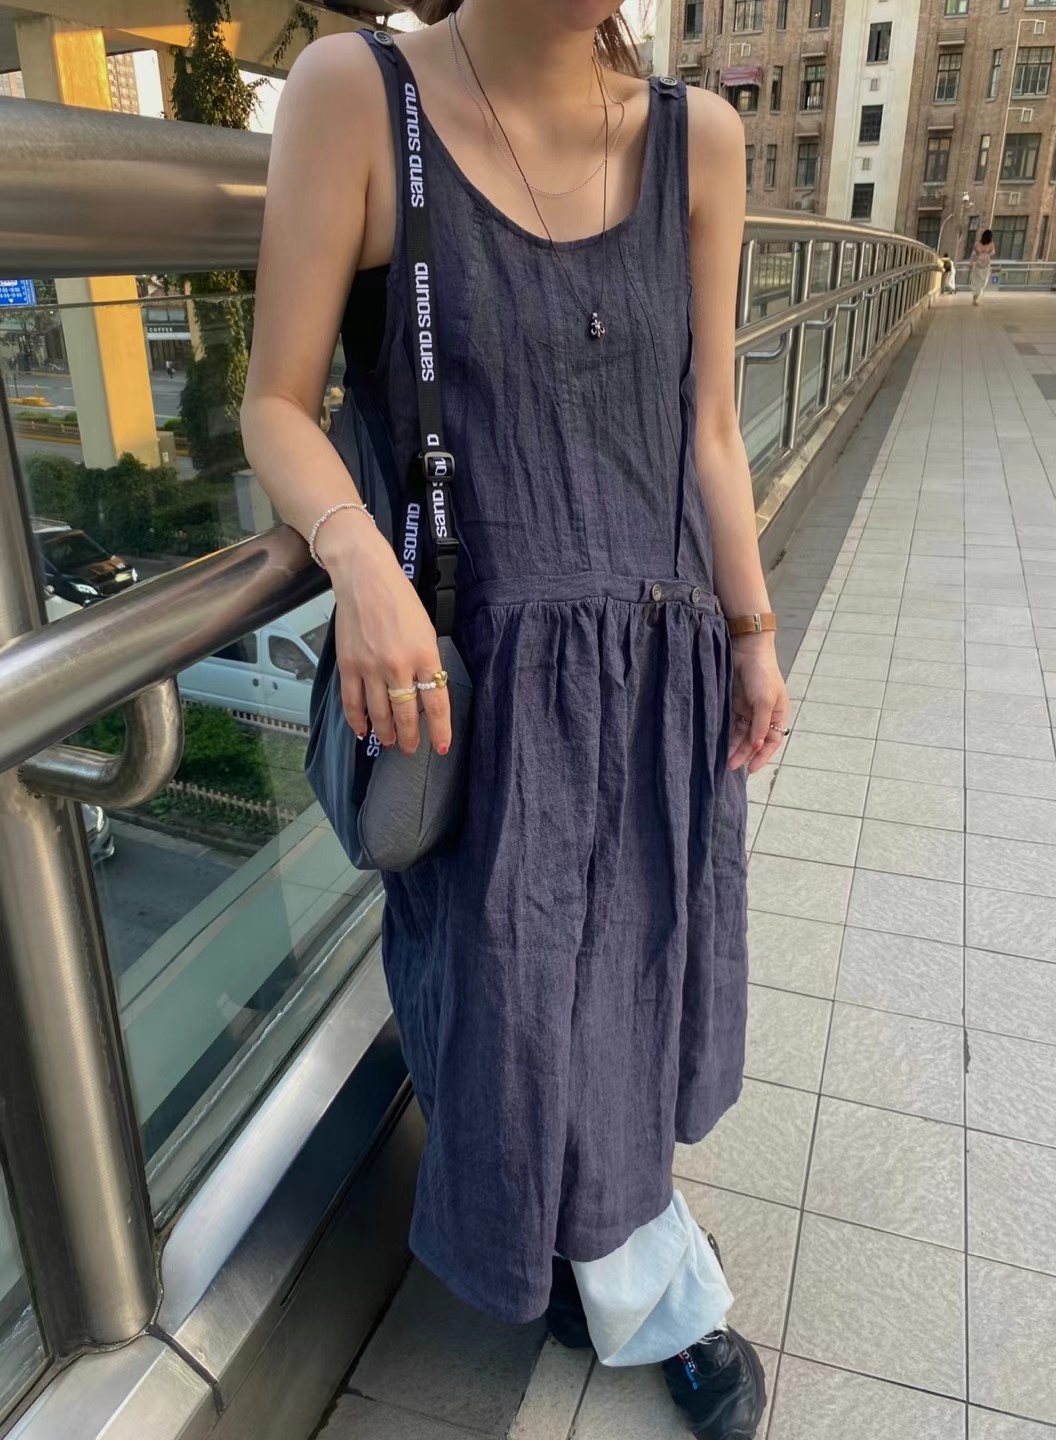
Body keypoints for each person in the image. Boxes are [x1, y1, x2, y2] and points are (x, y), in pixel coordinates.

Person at [241, 4, 788, 1436]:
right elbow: (277, 403)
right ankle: (594, 1250)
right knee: (505, 996)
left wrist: (752, 633)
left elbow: (709, 428)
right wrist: (360, 564)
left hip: (659, 663)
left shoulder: (701, 141)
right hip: (483, 682)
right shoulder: (359, 94)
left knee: (631, 987)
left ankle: (647, 1278)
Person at [970, 228, 996, 305]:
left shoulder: (991, 244)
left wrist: (986, 254)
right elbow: (973, 254)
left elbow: (992, 252)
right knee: (976, 282)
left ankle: (976, 296)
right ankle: (975, 298)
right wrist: (972, 262)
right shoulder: (977, 244)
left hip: (986, 265)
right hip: (978, 265)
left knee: (983, 282)